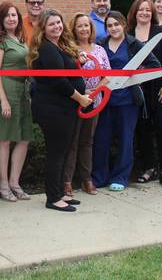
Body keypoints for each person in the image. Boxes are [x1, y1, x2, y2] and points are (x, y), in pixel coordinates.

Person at [29, 10, 93, 212]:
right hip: (53, 110)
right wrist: (80, 97)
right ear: (43, 29)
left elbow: (69, 71)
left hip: (66, 109)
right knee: (56, 153)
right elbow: (59, 81)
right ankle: (53, 197)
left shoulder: (61, 46)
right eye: (51, 24)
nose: (56, 26)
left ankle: (59, 193)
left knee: (63, 151)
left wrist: (78, 61)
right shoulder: (47, 49)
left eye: (58, 22)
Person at [93, 12, 160, 192]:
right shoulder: (100, 45)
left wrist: (135, 74)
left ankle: (120, 177)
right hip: (104, 99)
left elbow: (155, 65)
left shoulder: (133, 44)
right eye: (109, 25)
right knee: (101, 139)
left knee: (125, 139)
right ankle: (99, 177)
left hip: (127, 101)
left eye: (116, 24)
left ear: (123, 25)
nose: (113, 28)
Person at [0, 2, 34, 202]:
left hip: (21, 91)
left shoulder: (19, 40)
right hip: (4, 89)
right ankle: (3, 184)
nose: (12, 18)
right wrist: (3, 100)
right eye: (7, 15)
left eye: (15, 15)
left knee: (24, 138)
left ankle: (14, 182)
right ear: (1, 19)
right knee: (5, 138)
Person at [127, 0, 162, 189]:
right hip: (139, 91)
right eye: (141, 10)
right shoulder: (128, 35)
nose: (145, 13)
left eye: (148, 10)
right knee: (143, 131)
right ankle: (149, 168)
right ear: (134, 12)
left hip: (161, 89)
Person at [65, 13, 110, 196]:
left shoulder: (99, 50)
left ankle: (86, 179)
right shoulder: (69, 49)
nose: (84, 29)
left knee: (87, 141)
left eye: (86, 26)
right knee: (72, 141)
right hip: (73, 100)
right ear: (74, 29)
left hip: (94, 101)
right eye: (80, 26)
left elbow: (108, 76)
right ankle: (66, 181)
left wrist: (94, 92)